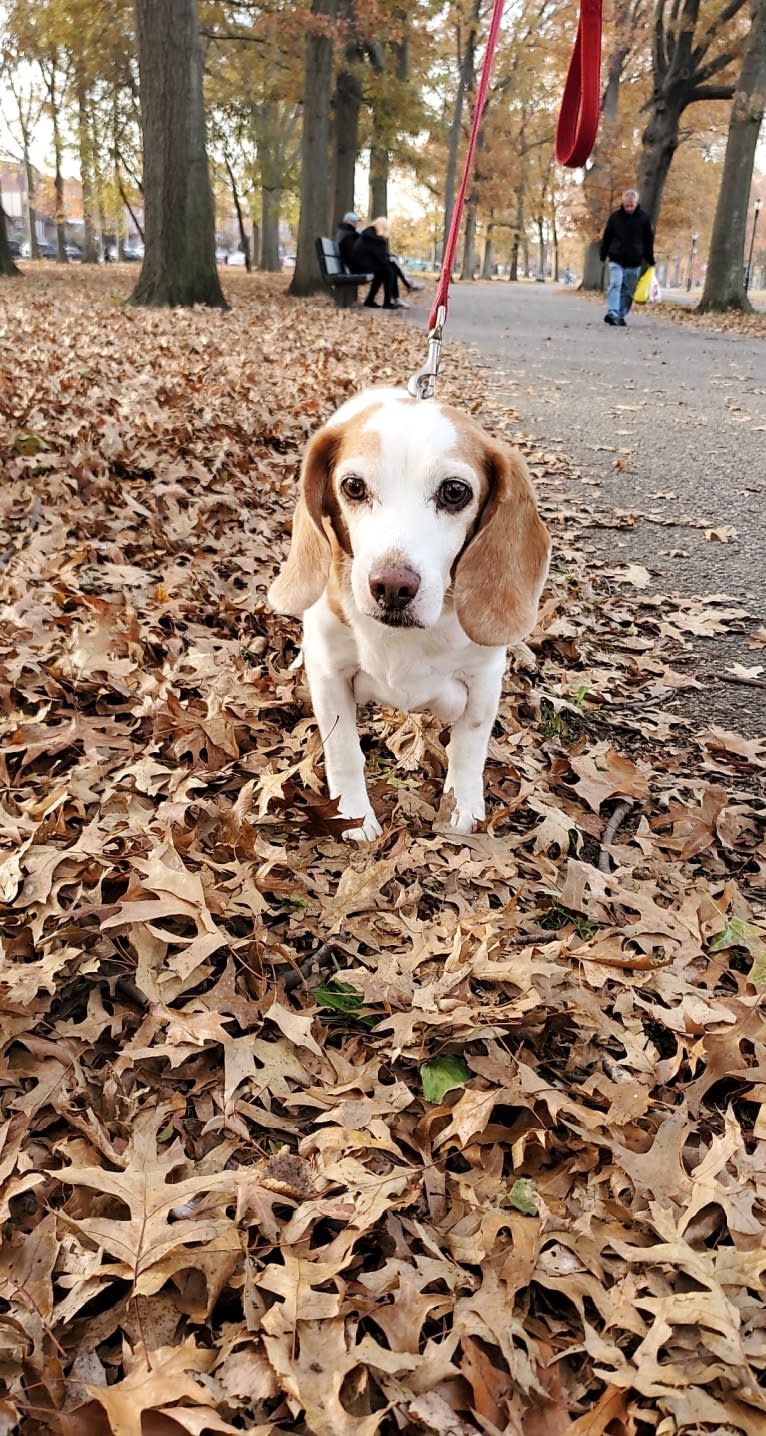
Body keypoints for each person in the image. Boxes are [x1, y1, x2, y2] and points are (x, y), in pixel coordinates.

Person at [599, 189, 655, 326]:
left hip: (634, 261)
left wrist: (650, 259)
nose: (629, 208)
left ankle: (620, 314)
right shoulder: (615, 217)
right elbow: (607, 237)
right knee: (615, 284)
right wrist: (603, 255)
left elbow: (648, 240)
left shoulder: (644, 218)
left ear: (637, 203)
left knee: (628, 290)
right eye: (626, 205)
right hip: (616, 258)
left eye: (632, 205)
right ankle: (612, 312)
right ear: (622, 203)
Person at [351, 217, 409, 310]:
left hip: (360, 265)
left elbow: (379, 255)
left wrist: (389, 257)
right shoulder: (374, 238)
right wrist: (389, 258)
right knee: (388, 271)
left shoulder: (369, 234)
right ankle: (389, 301)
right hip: (362, 267)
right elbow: (382, 258)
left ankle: (371, 300)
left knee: (387, 269)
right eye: (386, 229)